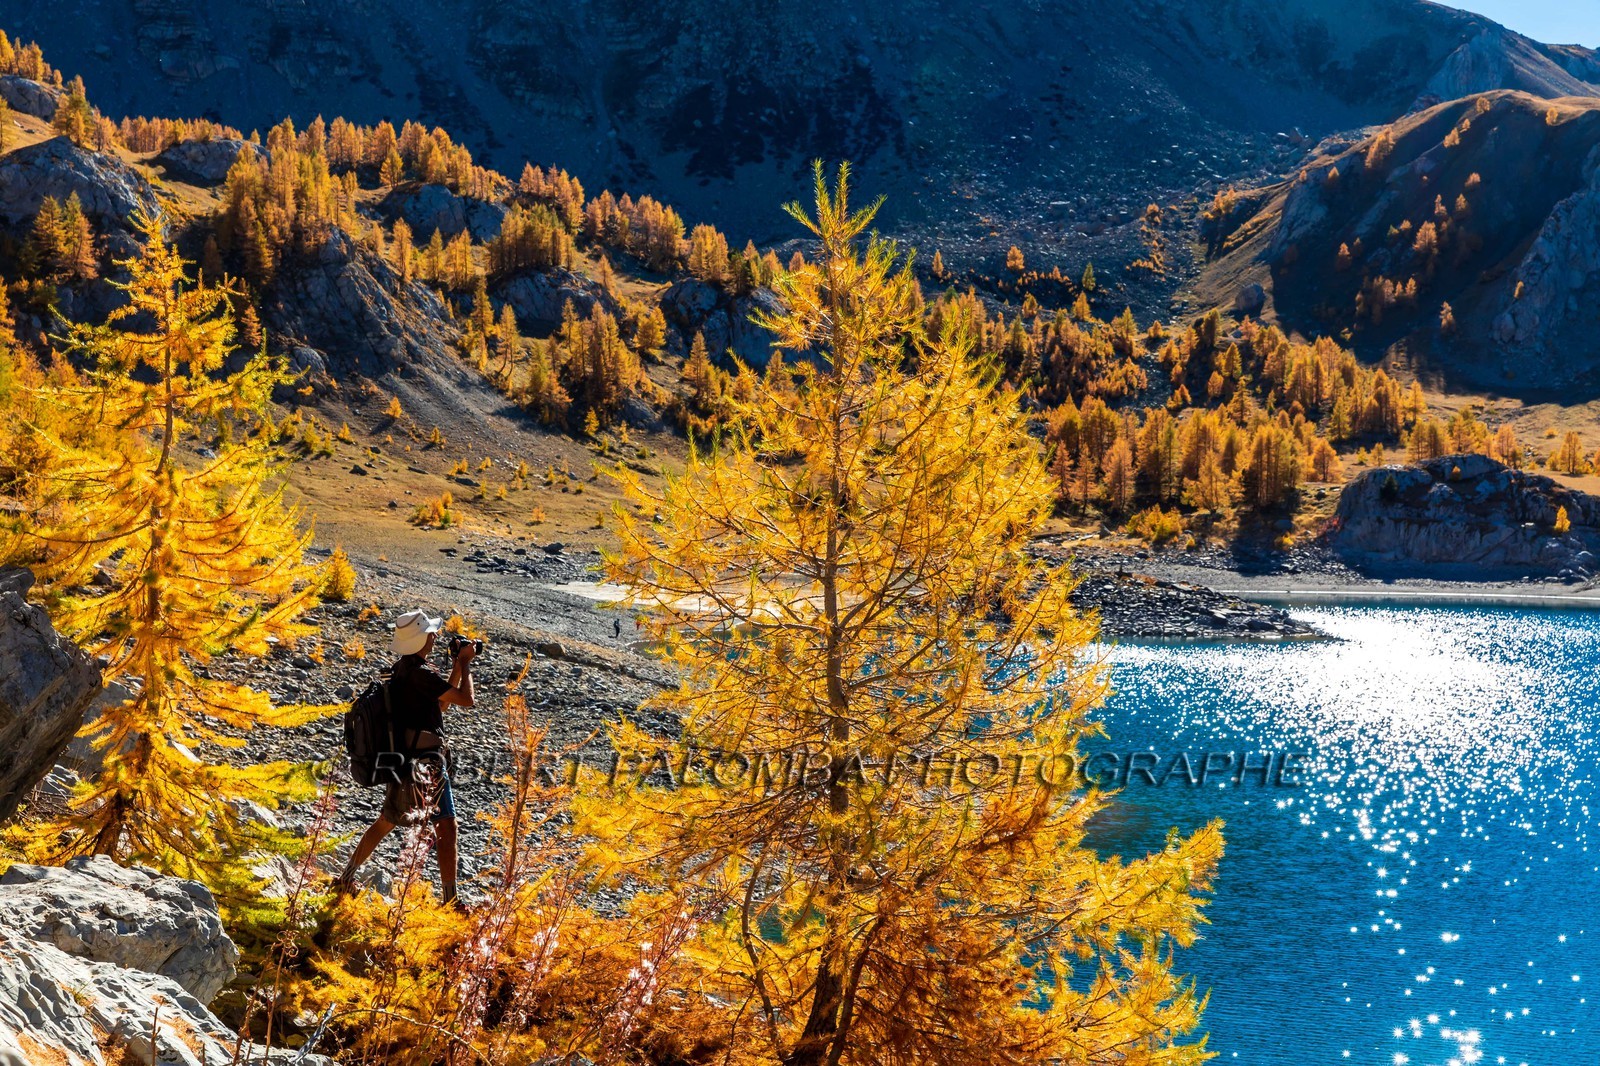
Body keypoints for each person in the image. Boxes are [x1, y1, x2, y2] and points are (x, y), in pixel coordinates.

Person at [336, 609, 475, 905]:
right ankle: (451, 902)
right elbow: (466, 700)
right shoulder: (421, 674)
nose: (435, 637)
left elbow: (441, 706)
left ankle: (346, 878)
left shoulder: (402, 670)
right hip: (427, 764)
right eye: (430, 633)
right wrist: (464, 663)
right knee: (447, 827)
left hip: (403, 761)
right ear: (421, 639)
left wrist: (455, 669)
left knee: (386, 821)